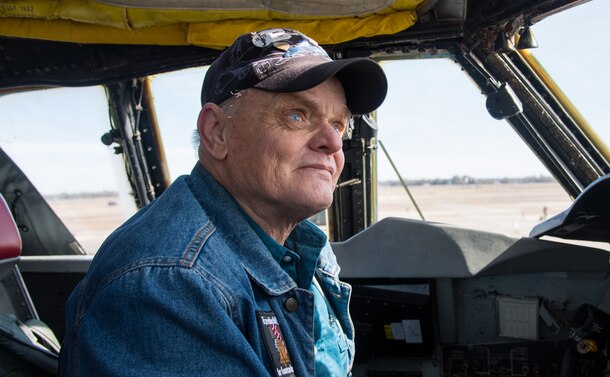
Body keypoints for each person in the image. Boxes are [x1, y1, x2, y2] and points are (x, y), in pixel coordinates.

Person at [58, 28, 387, 376]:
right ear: (216, 132)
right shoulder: (168, 285)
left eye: (338, 125)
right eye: (296, 115)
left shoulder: (298, 244)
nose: (332, 144)